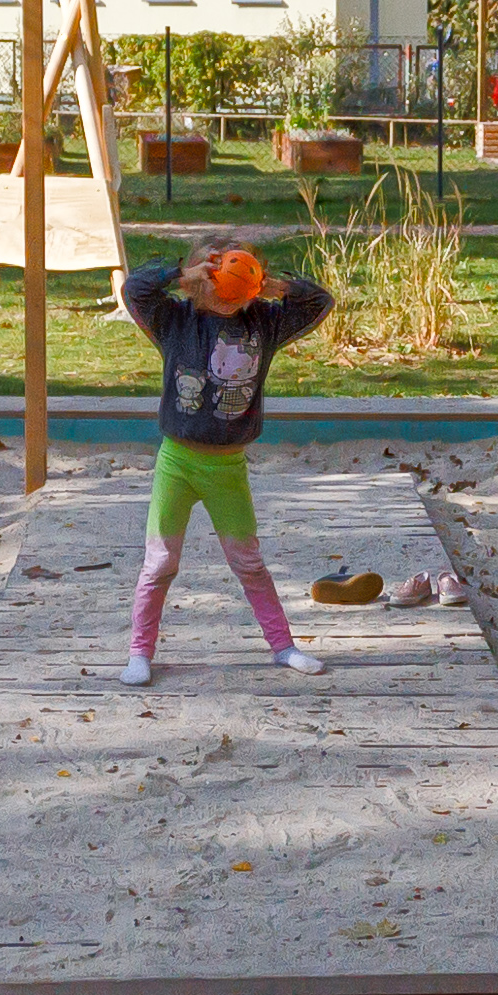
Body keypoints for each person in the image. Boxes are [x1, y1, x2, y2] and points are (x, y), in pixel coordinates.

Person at [116, 238, 339, 689]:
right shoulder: (174, 320)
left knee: (249, 563)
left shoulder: (264, 324)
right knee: (159, 564)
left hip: (228, 467)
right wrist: (180, 277)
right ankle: (140, 653)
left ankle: (283, 647)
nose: (222, 277)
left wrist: (270, 285)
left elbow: (321, 302)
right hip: (176, 462)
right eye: (213, 267)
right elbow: (134, 290)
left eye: (235, 265)